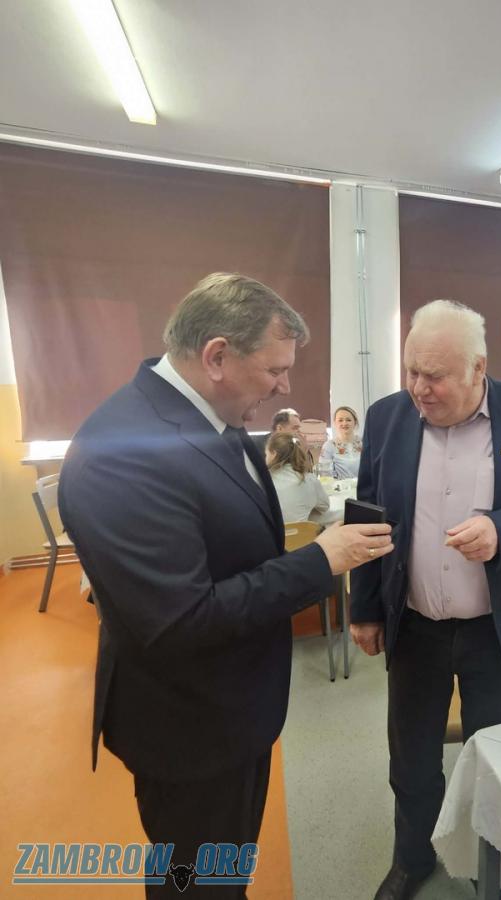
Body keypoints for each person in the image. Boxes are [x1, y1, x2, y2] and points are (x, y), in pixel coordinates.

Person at [58, 273, 394, 900]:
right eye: (275, 369)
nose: (284, 387)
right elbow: (181, 620)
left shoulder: (213, 416)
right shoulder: (121, 453)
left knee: (225, 870)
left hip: (235, 710)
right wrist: (319, 561)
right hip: (190, 728)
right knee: (195, 883)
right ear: (216, 357)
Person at [349, 299, 501, 900]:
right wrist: (364, 608)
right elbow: (367, 517)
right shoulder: (387, 417)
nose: (419, 389)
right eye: (411, 371)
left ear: (478, 367)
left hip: (495, 628)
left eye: (434, 376)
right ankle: (412, 858)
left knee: (496, 757)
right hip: (414, 626)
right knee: (411, 759)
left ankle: (495, 869)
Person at [266, 431, 330, 522]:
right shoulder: (309, 479)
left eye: (266, 454)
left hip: (273, 531)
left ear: (273, 453)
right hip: (303, 531)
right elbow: (324, 507)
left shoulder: (263, 481)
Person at [318, 405, 363, 478]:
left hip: (365, 484)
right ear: (335, 423)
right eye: (340, 420)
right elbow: (324, 474)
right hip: (339, 485)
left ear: (355, 422)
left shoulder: (364, 442)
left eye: (348, 420)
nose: (344, 423)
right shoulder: (329, 446)